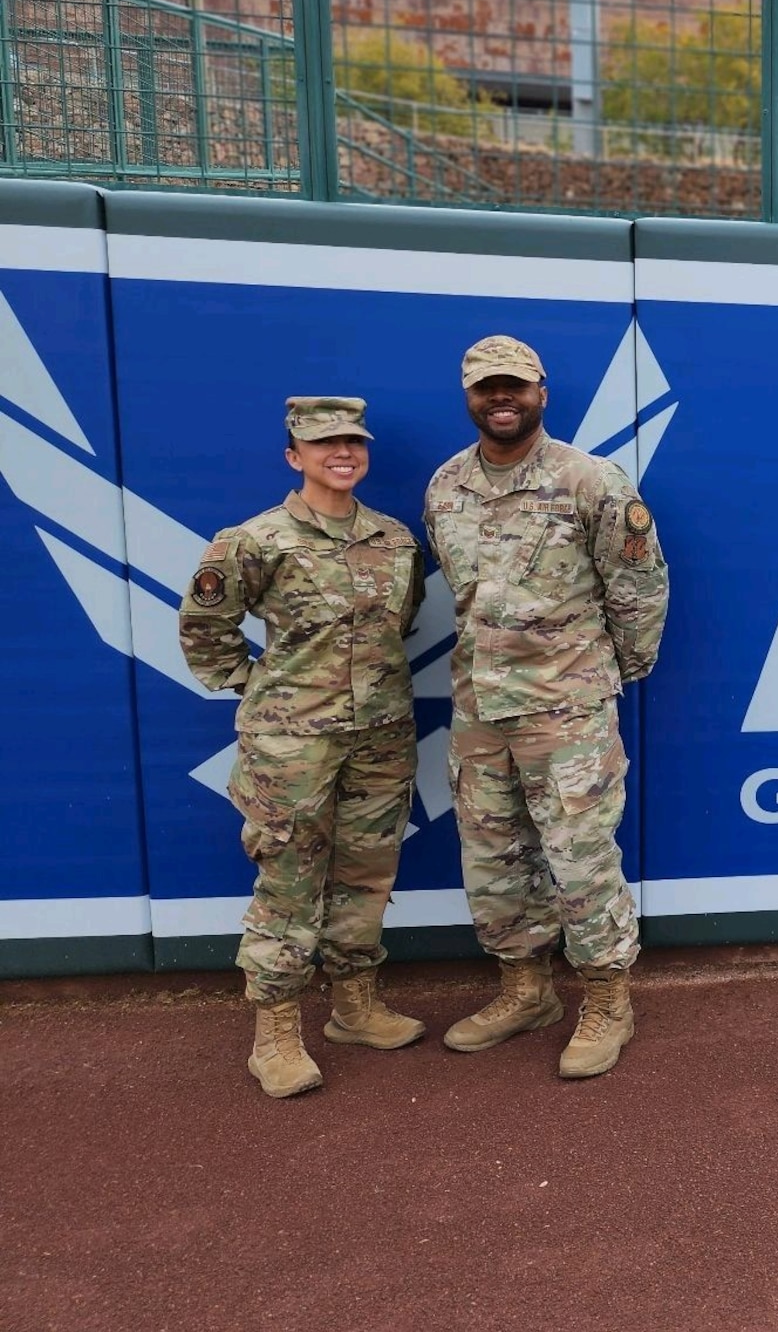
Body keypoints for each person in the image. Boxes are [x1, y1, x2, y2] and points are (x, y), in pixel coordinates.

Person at [425, 336, 666, 1079]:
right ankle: (526, 990)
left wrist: (601, 677)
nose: (502, 399)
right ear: (469, 396)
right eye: (487, 388)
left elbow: (639, 588)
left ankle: (605, 1000)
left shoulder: (590, 480)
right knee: (494, 862)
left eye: (516, 387)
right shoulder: (445, 486)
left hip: (567, 712)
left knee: (580, 861)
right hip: (478, 711)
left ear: (542, 393)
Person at [178, 397, 428, 1099]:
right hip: (292, 749)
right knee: (288, 884)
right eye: (323, 445)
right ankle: (277, 1034)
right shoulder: (255, 540)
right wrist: (262, 690)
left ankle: (354, 1009)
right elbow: (205, 627)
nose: (341, 453)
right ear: (295, 456)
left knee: (366, 875)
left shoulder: (395, 539)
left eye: (352, 441)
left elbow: (396, 627)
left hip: (380, 737)